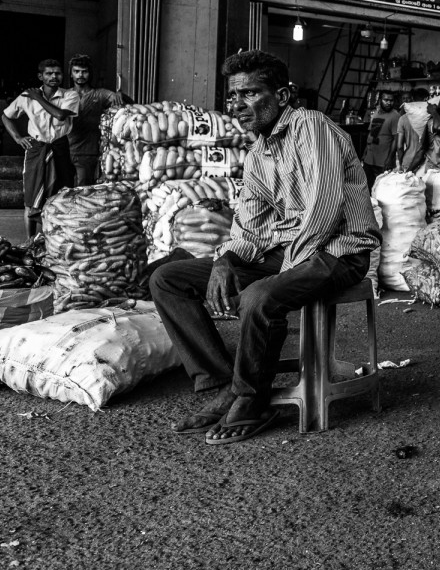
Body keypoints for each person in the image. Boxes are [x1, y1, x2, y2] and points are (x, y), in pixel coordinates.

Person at [149, 50, 379, 446]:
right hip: (290, 249)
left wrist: (283, 271)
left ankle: (252, 400)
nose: (238, 105)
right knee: (168, 279)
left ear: (284, 95)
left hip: (337, 249)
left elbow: (324, 207)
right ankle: (223, 384)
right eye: (234, 96)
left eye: (251, 93)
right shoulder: (258, 154)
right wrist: (226, 259)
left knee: (259, 295)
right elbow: (250, 227)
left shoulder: (312, 127)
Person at [1, 59, 79, 238]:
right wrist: (18, 137)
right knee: (31, 196)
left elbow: (60, 115)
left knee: (61, 195)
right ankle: (30, 241)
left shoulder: (70, 95)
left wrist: (38, 97)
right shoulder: (26, 96)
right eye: (49, 73)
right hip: (36, 149)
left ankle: (55, 239)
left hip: (60, 148)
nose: (53, 77)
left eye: (57, 73)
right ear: (40, 76)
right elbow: (6, 116)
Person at [65, 54, 123, 186]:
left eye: (84, 72)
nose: (80, 75)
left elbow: (122, 104)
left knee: (83, 189)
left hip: (87, 152)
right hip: (65, 149)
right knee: (64, 190)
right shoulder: (64, 95)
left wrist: (120, 94)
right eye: (76, 71)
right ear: (71, 74)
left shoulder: (100, 94)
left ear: (90, 74)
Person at [361, 90, 401, 191]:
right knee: (367, 188)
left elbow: (396, 139)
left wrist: (390, 159)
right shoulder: (376, 113)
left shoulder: (395, 116)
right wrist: (365, 153)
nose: (389, 103)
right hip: (370, 158)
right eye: (386, 100)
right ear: (380, 100)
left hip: (383, 161)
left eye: (391, 100)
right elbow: (371, 134)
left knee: (381, 189)